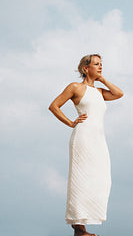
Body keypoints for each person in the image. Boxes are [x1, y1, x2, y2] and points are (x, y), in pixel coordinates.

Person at [49, 54, 124, 236]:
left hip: (99, 140)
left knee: (101, 179)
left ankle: (83, 223)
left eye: (101, 64)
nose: (100, 67)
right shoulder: (76, 87)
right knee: (80, 179)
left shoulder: (98, 92)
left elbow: (119, 93)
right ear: (85, 68)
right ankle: (78, 228)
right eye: (96, 64)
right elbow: (54, 106)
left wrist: (103, 80)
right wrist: (70, 122)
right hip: (83, 138)